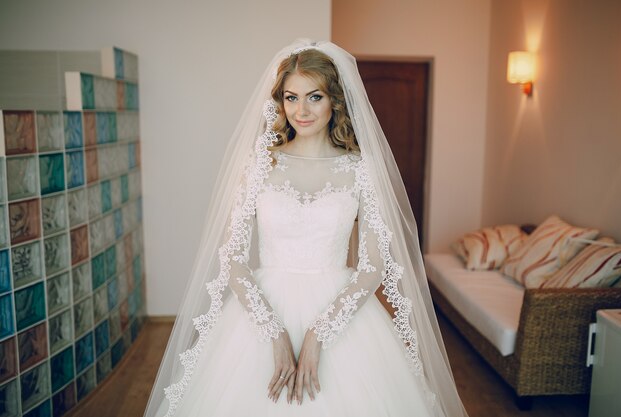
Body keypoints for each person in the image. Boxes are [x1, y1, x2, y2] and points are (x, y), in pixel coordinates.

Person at [144, 40, 468, 417]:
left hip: (341, 314)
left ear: (335, 100)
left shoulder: (360, 170)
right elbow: (232, 259)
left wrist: (318, 334)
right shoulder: (260, 165)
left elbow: (372, 268)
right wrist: (274, 334)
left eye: (314, 96)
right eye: (291, 97)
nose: (301, 110)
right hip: (260, 314)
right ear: (279, 101)